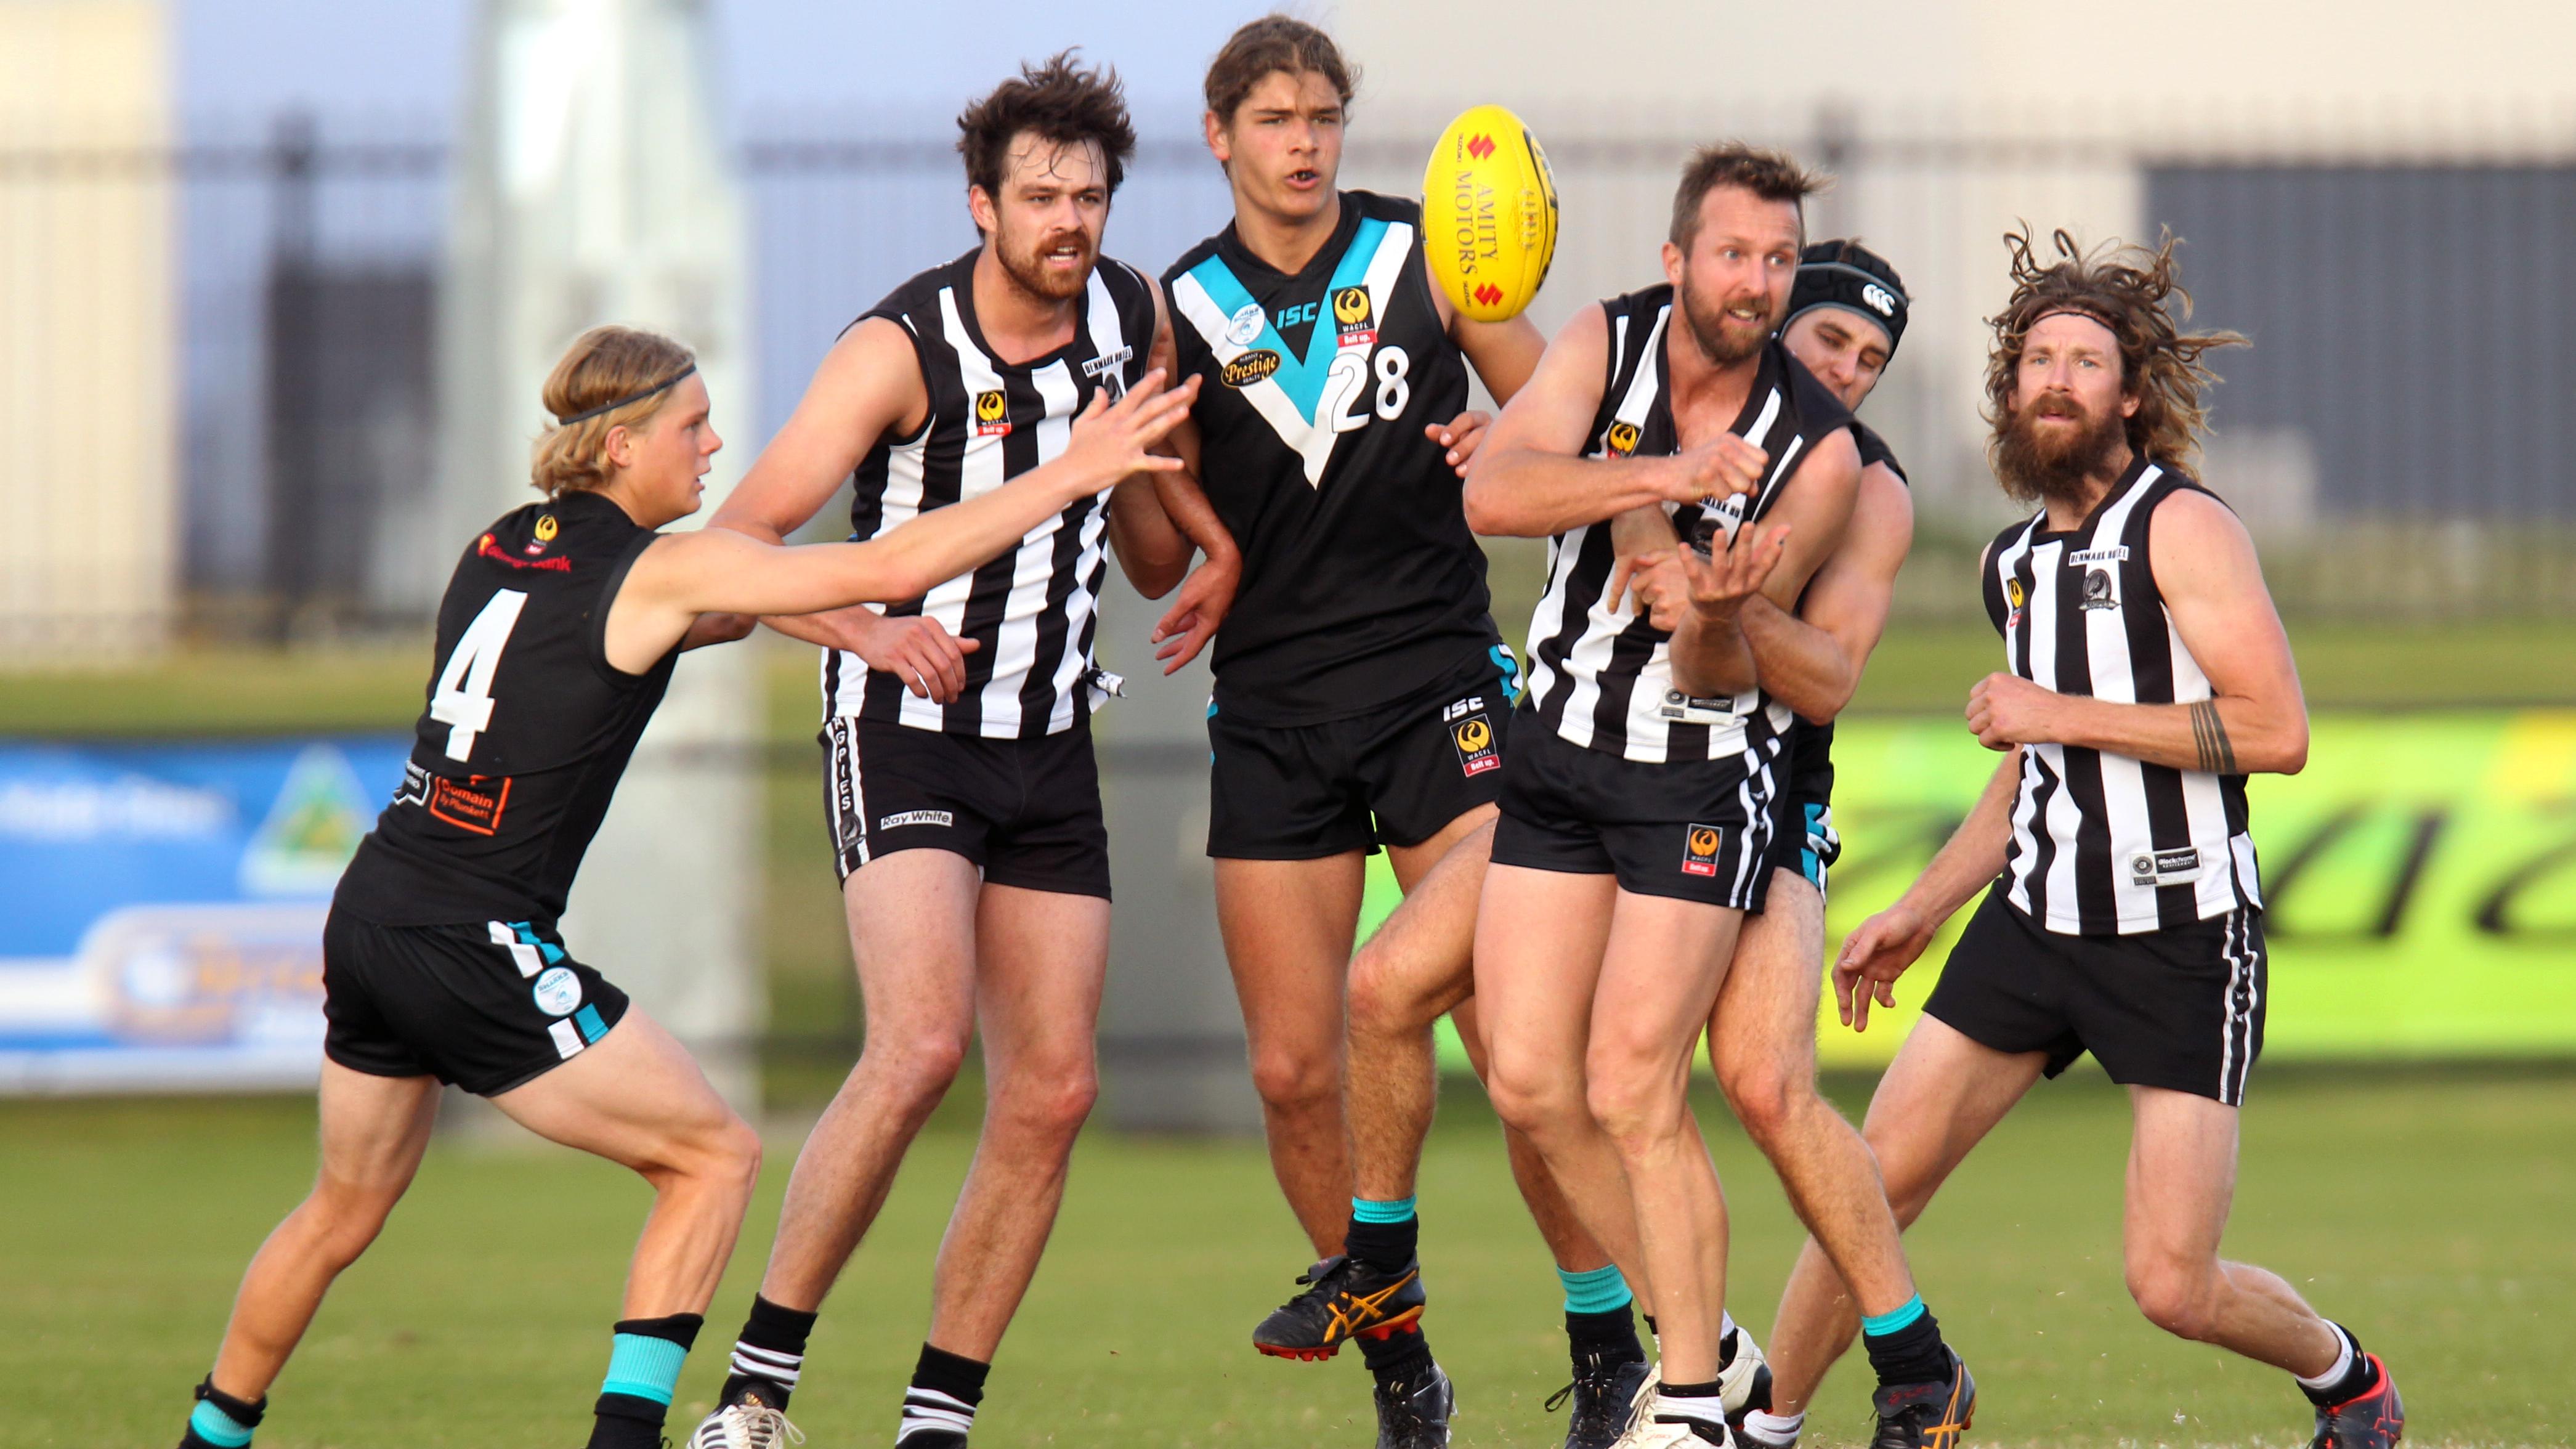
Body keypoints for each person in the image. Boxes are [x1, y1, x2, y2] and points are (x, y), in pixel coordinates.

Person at [167, 323, 1197, 1449]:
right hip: (472, 936)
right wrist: (1071, 473)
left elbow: (729, 601)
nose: (713, 451)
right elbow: (888, 564)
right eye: (691, 428)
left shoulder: (500, 546)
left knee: (341, 1210)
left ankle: (210, 1438)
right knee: (713, 1155)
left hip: (372, 912)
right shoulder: (652, 567)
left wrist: (849, 631)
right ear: (618, 446)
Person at [1766, 227, 2402, 1449]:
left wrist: (2053, 711)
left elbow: (2277, 730)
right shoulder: (2013, 563)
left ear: (2129, 395)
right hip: (2033, 926)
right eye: (2039, 360)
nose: (2058, 379)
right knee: (1867, 1192)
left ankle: (2346, 1379)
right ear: (2012, 393)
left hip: (2178, 934)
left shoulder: (2185, 530)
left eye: (2086, 361)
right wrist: (1928, 903)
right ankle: (1764, 1430)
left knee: (2172, 1284)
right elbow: (2030, 775)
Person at [683, 54, 1231, 1449]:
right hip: (907, 731)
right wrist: (867, 634)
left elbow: (1145, 539)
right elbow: (730, 550)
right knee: (922, 1044)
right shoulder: (898, 351)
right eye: (1040, 196)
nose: (1069, 222)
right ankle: (758, 1391)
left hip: (1049, 739)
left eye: (1089, 196)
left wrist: (1203, 541)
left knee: (1053, 1090)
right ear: (979, 202)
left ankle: (940, 1416)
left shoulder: (1132, 314)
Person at [1157, 17, 1627, 1448]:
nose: (1304, 142)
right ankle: (1400, 1364)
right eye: (1275, 119)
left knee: (1513, 1041)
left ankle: (1610, 1345)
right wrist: (1146, 484)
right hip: (1274, 712)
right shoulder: (1176, 310)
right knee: (1293, 1071)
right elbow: (1142, 558)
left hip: (1440, 691)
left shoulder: (1432, 252)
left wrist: (1519, 439)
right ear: (1221, 135)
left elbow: (1569, 420)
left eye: (1323, 117)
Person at [1463, 143, 1863, 1449]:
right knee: (1528, 1080)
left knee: (1635, 1081)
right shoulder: (1603, 340)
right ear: (1678, 257)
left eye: (1779, 261)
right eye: (1736, 254)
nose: (1757, 282)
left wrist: (1719, 608)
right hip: (1563, 749)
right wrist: (1659, 483)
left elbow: (1725, 655)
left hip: (1700, 768)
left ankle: (1687, 1401)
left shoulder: (1819, 450)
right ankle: (1724, 1352)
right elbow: (1495, 489)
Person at [1614, 241, 1972, 1447]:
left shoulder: (1865, 485)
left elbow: (1825, 685)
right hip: (1607, 779)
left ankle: (1909, 1364)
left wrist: (1725, 597)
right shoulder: (1660, 407)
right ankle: (1700, 1360)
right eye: (1831, 342)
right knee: (1548, 1070)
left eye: (1872, 359)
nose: (1850, 373)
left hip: (1761, 798)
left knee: (1763, 1087)